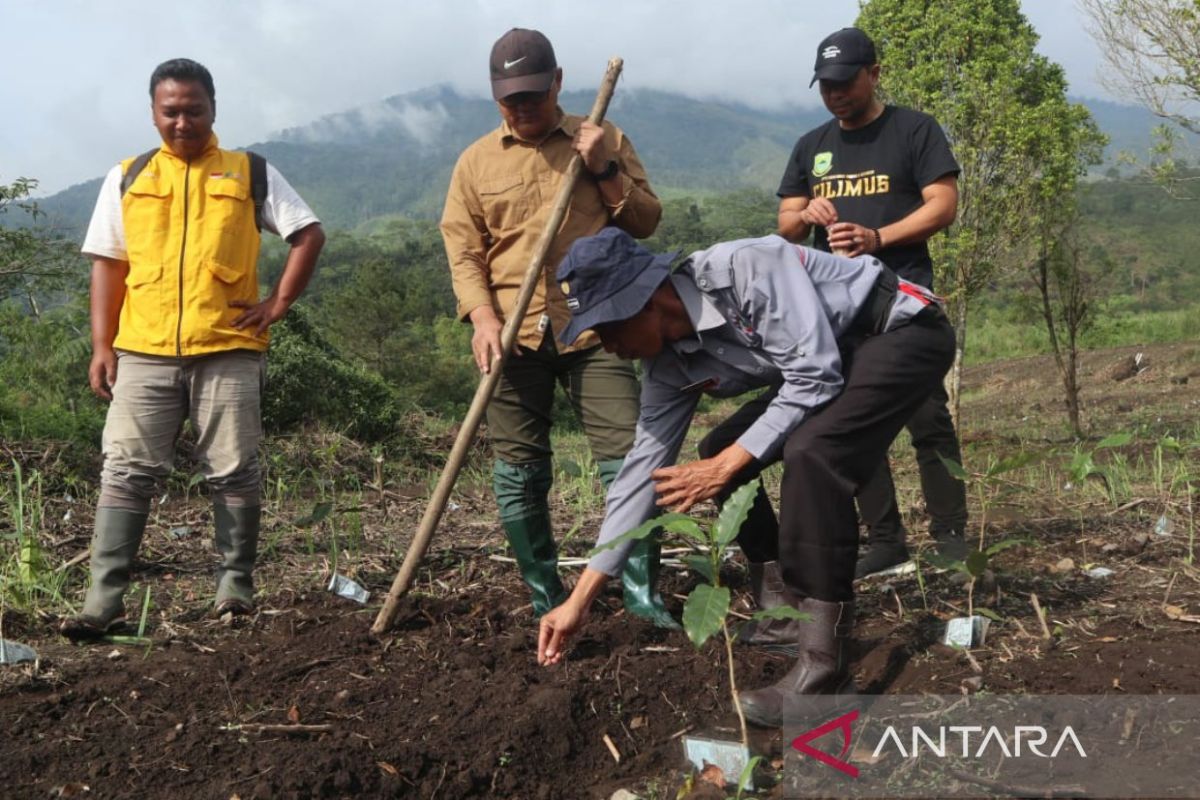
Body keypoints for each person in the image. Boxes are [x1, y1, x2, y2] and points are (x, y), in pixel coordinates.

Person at [537, 228, 955, 728]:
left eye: (607, 329)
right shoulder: (667, 367)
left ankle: (826, 673)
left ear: (645, 301)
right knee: (717, 450)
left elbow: (814, 376)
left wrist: (726, 466)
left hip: (899, 331)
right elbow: (639, 476)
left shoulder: (748, 269)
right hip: (837, 360)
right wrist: (579, 599)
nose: (608, 346)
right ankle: (782, 616)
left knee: (811, 453)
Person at [60, 58, 325, 641]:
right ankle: (102, 602)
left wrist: (277, 304)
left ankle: (235, 589)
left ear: (213, 109)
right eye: (170, 111)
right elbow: (109, 264)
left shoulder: (247, 171)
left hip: (227, 347)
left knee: (233, 469)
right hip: (144, 350)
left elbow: (308, 233)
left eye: (194, 110)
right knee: (125, 470)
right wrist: (102, 344)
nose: (182, 122)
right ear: (154, 112)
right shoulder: (129, 176)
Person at [439, 28, 675, 626]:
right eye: (509, 101)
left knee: (629, 459)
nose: (521, 110)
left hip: (599, 328)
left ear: (558, 84)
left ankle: (641, 594)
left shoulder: (603, 138)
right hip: (514, 334)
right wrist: (483, 316)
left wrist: (605, 169)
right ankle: (546, 596)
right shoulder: (476, 162)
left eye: (533, 98)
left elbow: (646, 221)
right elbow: (464, 252)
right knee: (519, 472)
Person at [776, 27, 968, 580]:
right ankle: (886, 541)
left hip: (905, 305)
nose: (834, 93)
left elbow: (944, 204)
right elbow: (785, 225)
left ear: (874, 73)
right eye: (825, 85)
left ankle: (951, 538)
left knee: (928, 419)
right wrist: (805, 215)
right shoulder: (811, 147)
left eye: (845, 82)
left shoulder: (914, 130)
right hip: (835, 314)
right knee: (854, 425)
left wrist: (878, 239)